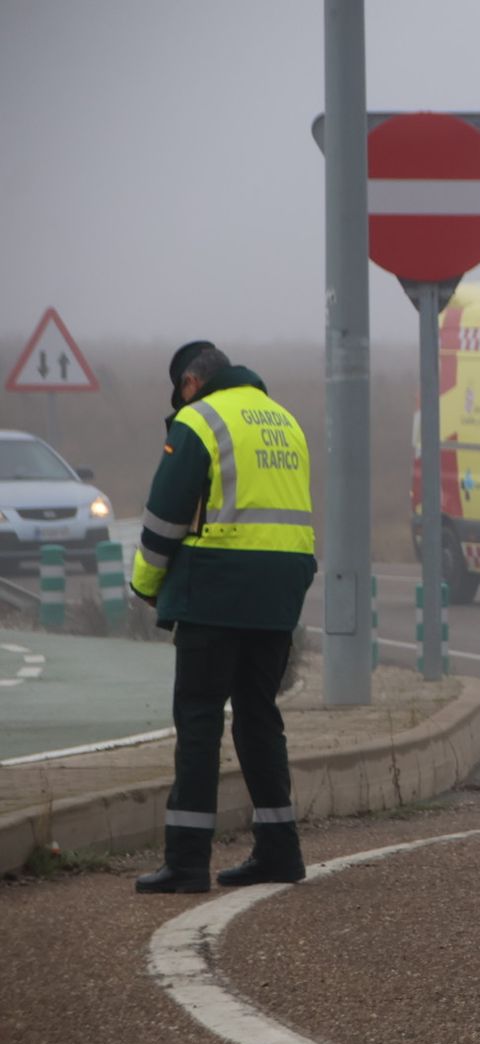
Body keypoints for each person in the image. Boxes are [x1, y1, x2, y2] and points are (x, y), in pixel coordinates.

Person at [130, 342, 318, 894]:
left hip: (215, 589)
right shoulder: (284, 420)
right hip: (279, 592)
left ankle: (187, 862)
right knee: (259, 715)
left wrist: (145, 585)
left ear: (190, 382)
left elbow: (164, 515)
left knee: (199, 717)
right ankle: (280, 852)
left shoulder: (199, 419)